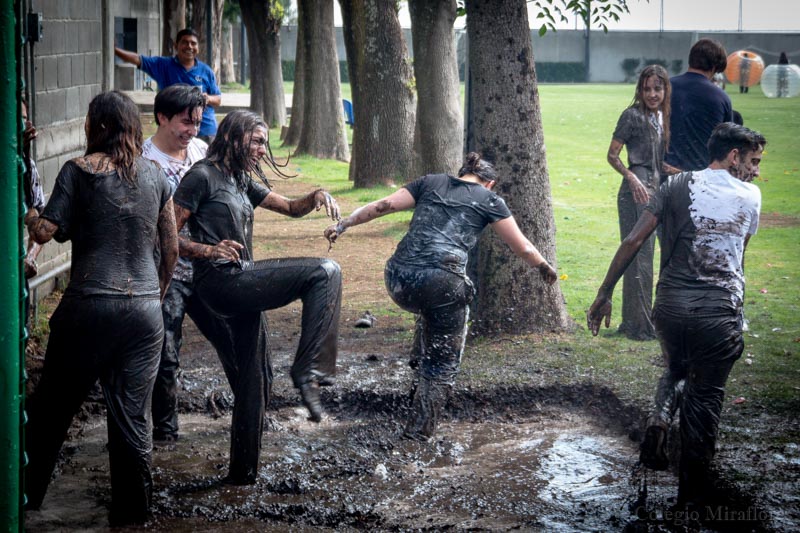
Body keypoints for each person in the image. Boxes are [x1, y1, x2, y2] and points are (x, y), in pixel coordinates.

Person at [588, 123, 765, 510]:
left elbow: (634, 240)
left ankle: (659, 420)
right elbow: (738, 256)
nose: (756, 171)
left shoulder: (674, 186)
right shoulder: (751, 197)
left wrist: (604, 294)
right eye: (752, 161)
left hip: (669, 310)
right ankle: (690, 504)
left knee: (676, 367)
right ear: (733, 156)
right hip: (718, 315)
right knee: (704, 403)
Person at [324, 153, 558, 441]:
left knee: (433, 313)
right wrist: (545, 267)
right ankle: (418, 435)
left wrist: (342, 225)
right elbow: (521, 246)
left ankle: (416, 376)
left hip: (398, 277)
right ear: (490, 183)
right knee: (443, 362)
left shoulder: (430, 182)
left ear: (461, 174)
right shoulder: (489, 200)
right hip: (441, 283)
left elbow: (381, 206)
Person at [24, 91, 178, 526]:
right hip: (145, 311)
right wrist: (156, 296)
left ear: (99, 126)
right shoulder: (156, 175)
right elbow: (170, 252)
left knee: (52, 411)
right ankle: (133, 516)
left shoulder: (78, 170)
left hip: (88, 308)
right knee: (133, 420)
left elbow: (45, 229)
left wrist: (29, 198)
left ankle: (24, 501)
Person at [172, 109, 342, 484]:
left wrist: (317, 195)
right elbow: (164, 235)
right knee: (325, 272)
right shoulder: (200, 176)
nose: (264, 150)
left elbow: (291, 209)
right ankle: (308, 369)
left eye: (265, 143)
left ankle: (242, 474)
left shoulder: (240, 180)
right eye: (258, 141)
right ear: (234, 138)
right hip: (221, 282)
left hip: (242, 282)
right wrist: (207, 250)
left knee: (255, 379)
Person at [142, 83, 227, 442]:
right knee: (166, 353)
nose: (192, 130)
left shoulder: (202, 152)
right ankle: (165, 433)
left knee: (231, 336)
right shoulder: (143, 162)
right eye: (185, 122)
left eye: (197, 122)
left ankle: (252, 413)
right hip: (166, 272)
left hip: (208, 270)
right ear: (162, 117)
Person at [606, 65, 680, 341]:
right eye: (647, 88)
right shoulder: (632, 116)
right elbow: (612, 155)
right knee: (639, 256)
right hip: (635, 193)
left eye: (657, 88)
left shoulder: (663, 116)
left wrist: (677, 173)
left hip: (655, 189)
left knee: (648, 257)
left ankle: (636, 321)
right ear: (640, 89)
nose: (652, 94)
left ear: (665, 90)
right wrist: (631, 177)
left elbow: (656, 160)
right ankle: (639, 326)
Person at [115, 28, 221, 143]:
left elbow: (218, 99)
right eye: (184, 42)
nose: (189, 46)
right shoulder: (163, 65)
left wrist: (207, 98)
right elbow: (138, 59)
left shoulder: (206, 71)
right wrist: (115, 50)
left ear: (198, 48)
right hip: (174, 130)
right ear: (176, 46)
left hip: (204, 131)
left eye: (193, 43)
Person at [666, 38, 733, 173]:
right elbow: (728, 142)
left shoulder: (664, 88)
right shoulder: (721, 98)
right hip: (701, 177)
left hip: (662, 171)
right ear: (714, 67)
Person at [21, 97, 46, 318]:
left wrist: (30, 257)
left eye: (25, 118)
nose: (25, 126)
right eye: (17, 119)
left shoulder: (27, 166)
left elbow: (40, 217)